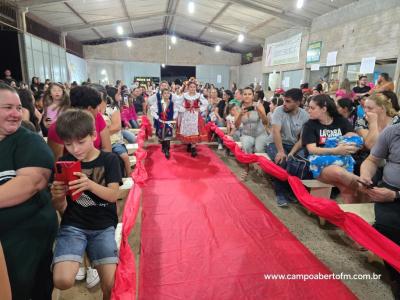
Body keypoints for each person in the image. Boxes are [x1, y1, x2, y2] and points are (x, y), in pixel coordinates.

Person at [50, 109, 121, 300]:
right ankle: (84, 258)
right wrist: (57, 196)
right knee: (62, 280)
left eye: (81, 142)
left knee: (111, 285)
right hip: (73, 225)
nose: (75, 149)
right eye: (68, 144)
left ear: (94, 135)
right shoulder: (64, 162)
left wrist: (90, 184)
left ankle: (90, 258)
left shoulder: (109, 159)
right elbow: (60, 207)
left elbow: (113, 195)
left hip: (103, 226)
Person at [0, 83, 58, 299]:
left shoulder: (28, 140)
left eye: (18, 107)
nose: (16, 114)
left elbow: (32, 182)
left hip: (24, 236)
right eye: (8, 108)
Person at [359, 124, 400, 299]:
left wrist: (396, 195)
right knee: (386, 228)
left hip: (394, 194)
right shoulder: (393, 131)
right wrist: (365, 175)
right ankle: (396, 277)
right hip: (389, 191)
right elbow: (372, 160)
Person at [302, 94, 360, 203]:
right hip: (319, 163)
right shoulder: (309, 125)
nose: (308, 110)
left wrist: (353, 146)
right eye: (308, 107)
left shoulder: (340, 121)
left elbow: (353, 137)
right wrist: (336, 150)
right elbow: (312, 149)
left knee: (346, 188)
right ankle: (364, 186)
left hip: (341, 159)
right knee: (340, 173)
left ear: (324, 109)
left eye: (312, 108)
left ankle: (351, 216)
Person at [265, 88, 309, 207]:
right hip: (274, 142)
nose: (284, 103)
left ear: (298, 102)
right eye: (284, 100)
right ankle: (280, 193)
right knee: (282, 161)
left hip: (294, 145)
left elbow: (302, 138)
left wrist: (292, 152)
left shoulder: (305, 115)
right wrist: (280, 151)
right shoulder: (279, 111)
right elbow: (276, 132)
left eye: (288, 101)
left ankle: (291, 191)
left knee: (299, 163)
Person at [47, 85, 112, 161]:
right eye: (97, 106)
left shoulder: (97, 117)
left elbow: (107, 148)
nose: (99, 110)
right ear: (89, 109)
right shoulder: (58, 127)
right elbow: (57, 162)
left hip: (98, 166)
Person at [234, 87, 269, 178]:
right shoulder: (238, 108)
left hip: (260, 133)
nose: (247, 96)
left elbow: (265, 122)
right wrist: (240, 115)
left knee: (259, 150)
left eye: (249, 94)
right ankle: (246, 168)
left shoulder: (259, 105)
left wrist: (260, 111)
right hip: (247, 134)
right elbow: (237, 126)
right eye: (245, 94)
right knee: (246, 147)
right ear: (242, 96)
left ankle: (263, 170)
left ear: (253, 96)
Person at [176, 80, 208, 157]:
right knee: (188, 130)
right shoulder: (184, 95)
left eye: (194, 87)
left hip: (195, 116)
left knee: (194, 130)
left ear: (196, 88)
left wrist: (200, 109)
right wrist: (184, 109)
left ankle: (193, 147)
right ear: (188, 87)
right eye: (191, 87)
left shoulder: (199, 95)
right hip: (186, 115)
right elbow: (177, 103)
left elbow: (206, 103)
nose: (192, 88)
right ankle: (189, 144)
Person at [150, 88, 178, 159]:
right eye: (164, 93)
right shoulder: (158, 103)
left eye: (168, 93)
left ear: (170, 94)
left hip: (169, 122)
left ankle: (167, 150)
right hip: (161, 122)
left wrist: (173, 117)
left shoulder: (172, 103)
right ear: (162, 95)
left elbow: (176, 111)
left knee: (168, 136)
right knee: (162, 135)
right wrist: (157, 118)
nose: (166, 95)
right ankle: (163, 147)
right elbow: (152, 110)